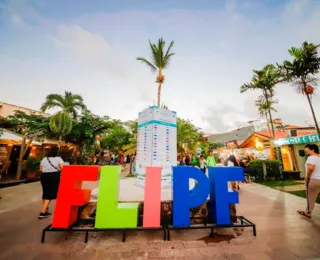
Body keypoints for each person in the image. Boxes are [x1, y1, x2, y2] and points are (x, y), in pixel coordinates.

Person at [39, 146, 64, 219]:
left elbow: (40, 169)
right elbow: (63, 168)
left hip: (44, 176)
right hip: (54, 176)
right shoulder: (58, 159)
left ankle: (45, 208)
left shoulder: (44, 158)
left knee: (45, 192)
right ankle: (42, 212)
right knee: (50, 195)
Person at [298, 144, 320, 218]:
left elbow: (310, 168)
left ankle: (308, 212)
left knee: (311, 197)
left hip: (314, 180)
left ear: (313, 149)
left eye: (307, 149)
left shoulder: (311, 158)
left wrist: (307, 178)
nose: (305, 150)